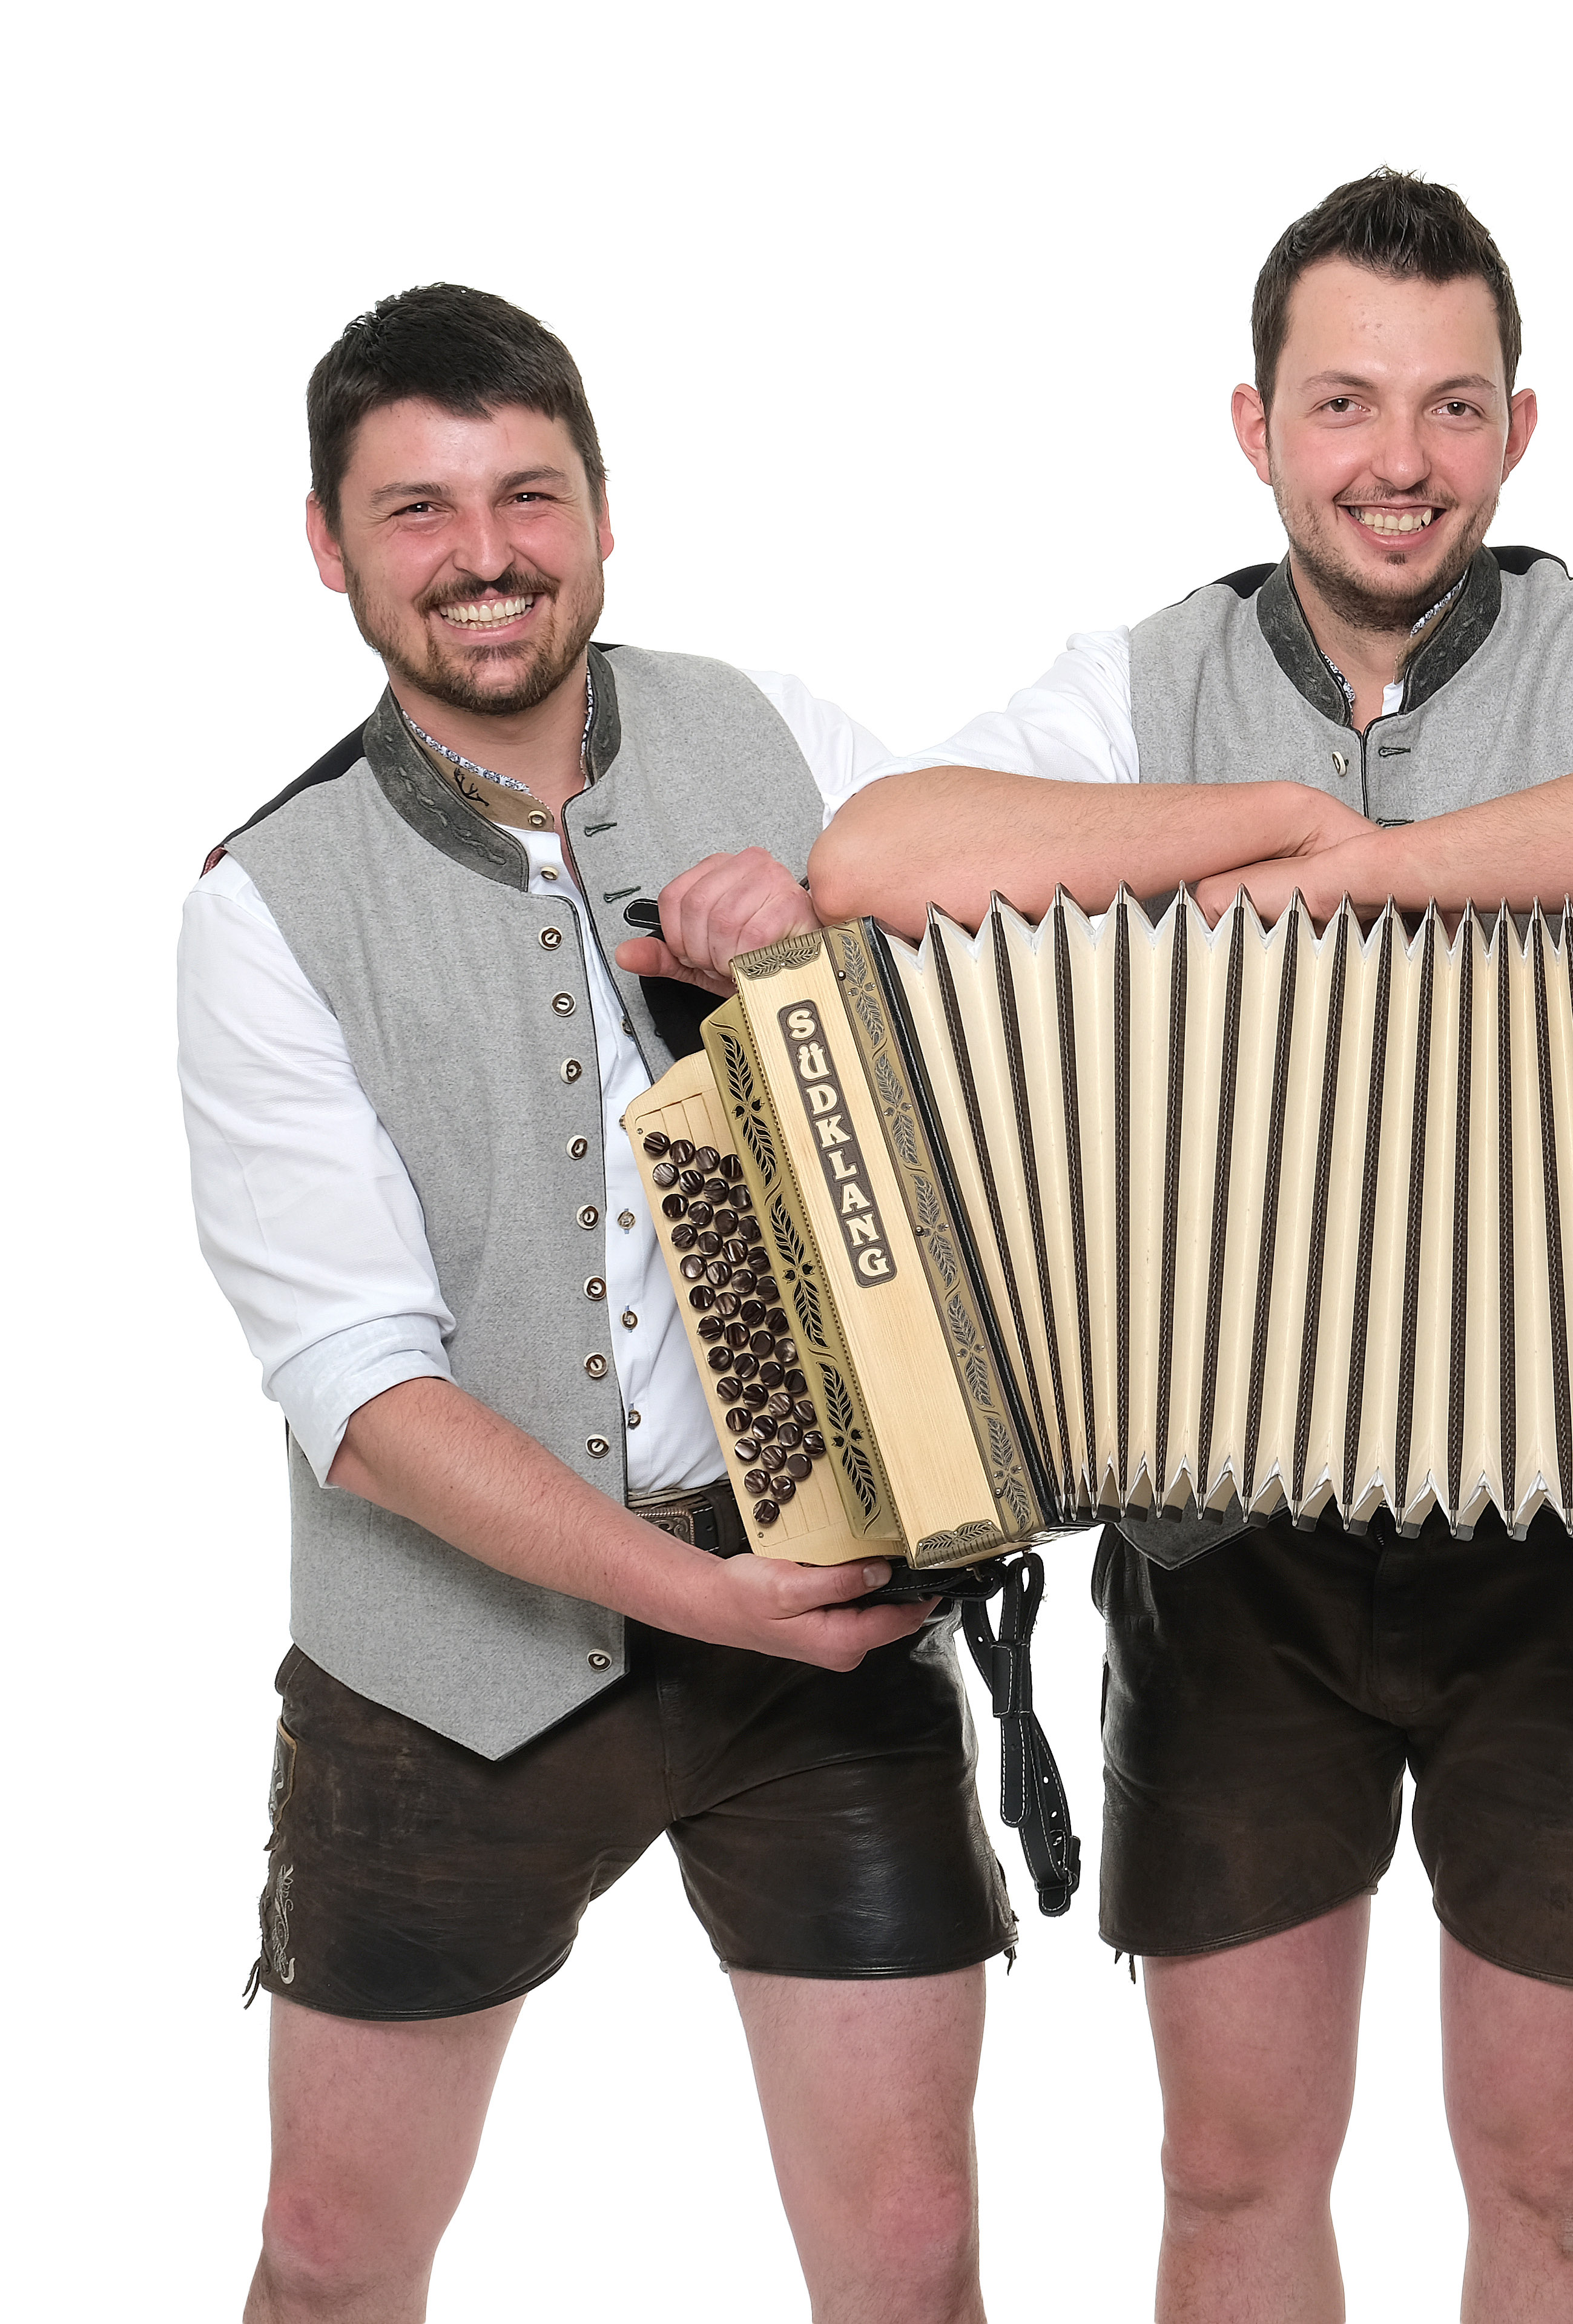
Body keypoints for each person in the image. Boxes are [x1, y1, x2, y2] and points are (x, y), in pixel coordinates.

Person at [808, 171, 1573, 2323]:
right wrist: (1268, 824)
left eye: (1453, 409)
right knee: (1227, 2183)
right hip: (1226, 1552)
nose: (1401, 463)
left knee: (1557, 2181)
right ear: (1255, 426)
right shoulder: (1152, 671)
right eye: (1348, 406)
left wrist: (1386, 873)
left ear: (1519, 429)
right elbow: (882, 853)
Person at [181, 283, 1015, 2324]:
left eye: (528, 493)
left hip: (821, 1603)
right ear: (331, 546)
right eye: (420, 511)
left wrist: (821, 961)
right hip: (445, 1670)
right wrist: (696, 1601)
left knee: (911, 2262)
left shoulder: (788, 740)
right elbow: (363, 1394)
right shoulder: (262, 904)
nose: (487, 556)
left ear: (604, 511)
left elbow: (1017, 1071)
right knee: (329, 2260)